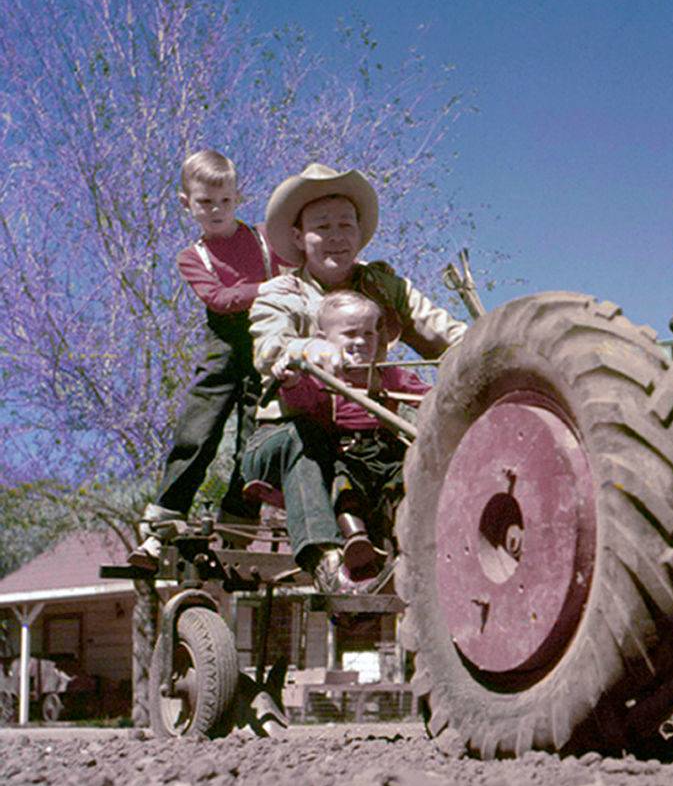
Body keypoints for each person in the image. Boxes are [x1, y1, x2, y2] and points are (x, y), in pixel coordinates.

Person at [242, 163, 467, 595]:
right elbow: (270, 344)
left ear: (360, 232)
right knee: (301, 439)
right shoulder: (279, 294)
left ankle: (431, 550)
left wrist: (494, 347)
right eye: (321, 226)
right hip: (287, 436)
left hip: (363, 434)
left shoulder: (383, 285)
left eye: (346, 224)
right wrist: (309, 350)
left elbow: (442, 331)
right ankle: (326, 561)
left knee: (423, 435)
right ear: (297, 238)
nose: (336, 236)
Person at [128, 149, 282, 571]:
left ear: (238, 197)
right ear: (186, 203)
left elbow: (300, 267)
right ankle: (164, 519)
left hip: (269, 339)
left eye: (224, 201)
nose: (215, 210)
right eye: (204, 203)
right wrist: (271, 288)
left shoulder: (268, 237)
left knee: (258, 429)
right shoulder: (192, 257)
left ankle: (237, 522)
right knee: (199, 427)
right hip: (225, 343)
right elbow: (218, 298)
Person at [278, 290, 430, 574]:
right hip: (346, 452)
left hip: (388, 449)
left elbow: (427, 396)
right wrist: (291, 383)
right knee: (344, 487)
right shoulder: (322, 377)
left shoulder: (392, 375)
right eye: (349, 334)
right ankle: (355, 538)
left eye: (369, 334)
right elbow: (302, 401)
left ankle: (406, 540)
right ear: (324, 339)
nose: (360, 342)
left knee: (405, 484)